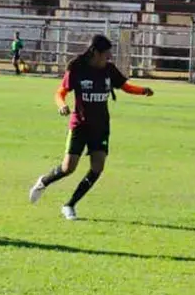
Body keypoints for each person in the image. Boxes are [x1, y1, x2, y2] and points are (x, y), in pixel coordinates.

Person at [28, 35, 154, 220]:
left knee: (98, 167)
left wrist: (142, 90)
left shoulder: (109, 70)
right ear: (95, 52)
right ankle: (43, 182)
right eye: (107, 53)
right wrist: (61, 104)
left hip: (101, 126)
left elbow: (124, 86)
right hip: (80, 125)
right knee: (68, 168)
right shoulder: (77, 69)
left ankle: (69, 205)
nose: (109, 57)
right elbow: (60, 92)